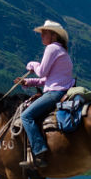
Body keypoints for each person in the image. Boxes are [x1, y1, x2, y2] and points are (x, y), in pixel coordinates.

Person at [14, 20, 75, 169]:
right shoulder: (61, 50)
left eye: (44, 33)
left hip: (55, 92)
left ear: (53, 35)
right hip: (60, 90)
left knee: (26, 116)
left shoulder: (52, 48)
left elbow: (41, 71)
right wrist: (27, 82)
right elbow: (47, 79)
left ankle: (39, 151)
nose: (41, 36)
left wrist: (31, 64)